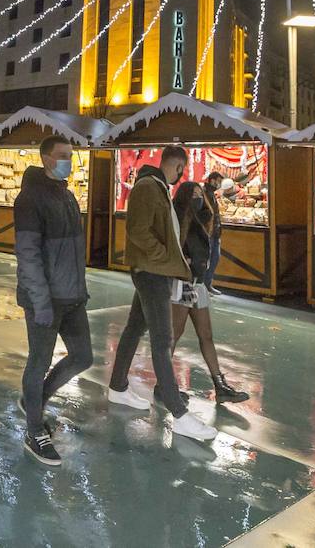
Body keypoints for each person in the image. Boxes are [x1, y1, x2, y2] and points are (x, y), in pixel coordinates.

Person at [106, 145, 217, 443]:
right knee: (162, 340)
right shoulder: (147, 187)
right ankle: (179, 414)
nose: (181, 176)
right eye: (182, 170)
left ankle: (117, 387)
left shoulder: (154, 187)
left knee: (134, 328)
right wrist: (163, 257)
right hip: (152, 272)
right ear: (178, 166)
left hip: (153, 270)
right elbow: (138, 230)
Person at [14, 135, 92, 467]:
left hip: (72, 295)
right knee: (38, 361)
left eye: (70, 156)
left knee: (83, 357)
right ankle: (35, 431)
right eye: (62, 156)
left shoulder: (67, 195)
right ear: (46, 158)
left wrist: (79, 289)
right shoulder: (30, 200)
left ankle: (36, 398)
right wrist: (41, 302)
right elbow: (28, 256)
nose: (68, 161)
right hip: (45, 299)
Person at [170, 181, 248, 403]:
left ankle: (220, 384)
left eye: (199, 194)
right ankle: (164, 383)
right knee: (175, 334)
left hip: (197, 284)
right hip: (184, 284)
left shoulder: (200, 220)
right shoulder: (178, 220)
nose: (197, 197)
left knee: (206, 335)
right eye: (193, 194)